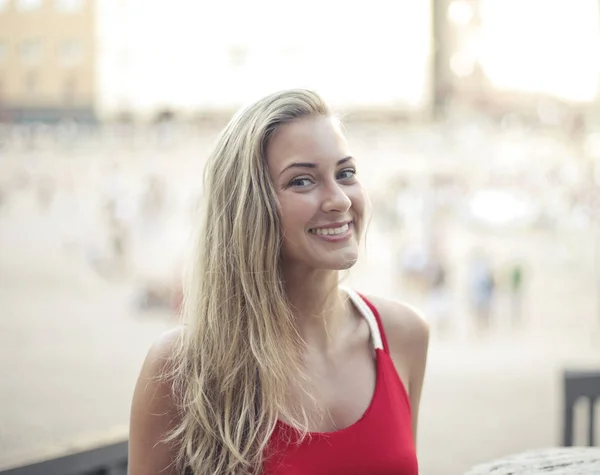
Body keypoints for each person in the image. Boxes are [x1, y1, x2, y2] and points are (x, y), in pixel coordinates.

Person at [128, 89, 430, 475]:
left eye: (346, 173)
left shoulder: (402, 334)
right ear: (248, 206)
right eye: (303, 181)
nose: (338, 199)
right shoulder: (184, 367)